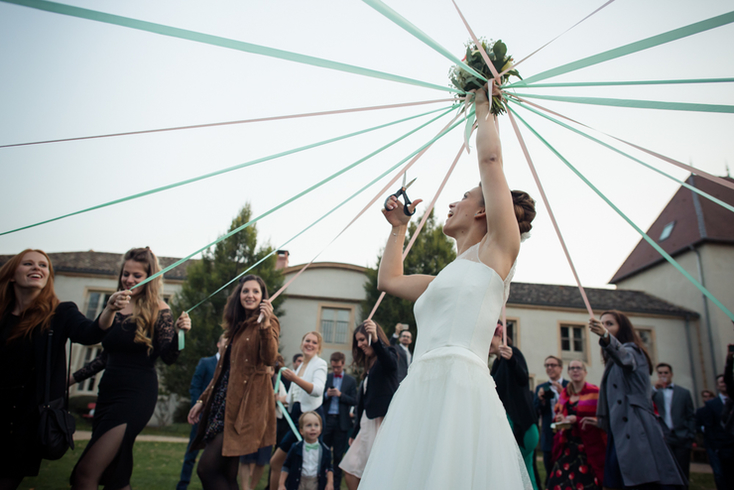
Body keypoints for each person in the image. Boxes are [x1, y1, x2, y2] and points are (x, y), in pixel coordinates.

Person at [356, 85, 534, 490]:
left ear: (485, 209)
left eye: (464, 198)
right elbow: (390, 280)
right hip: (420, 386)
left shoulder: (498, 253)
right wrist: (399, 229)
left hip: (461, 387)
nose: (452, 204)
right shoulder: (441, 279)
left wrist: (483, 102)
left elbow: (490, 160)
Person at [0, 249, 128, 490]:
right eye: (28, 264)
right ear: (11, 276)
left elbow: (90, 333)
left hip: (25, 419)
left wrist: (109, 309)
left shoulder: (60, 313)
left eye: (43, 265)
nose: (37, 268)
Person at [69, 247, 191, 490]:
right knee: (116, 475)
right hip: (107, 393)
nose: (129, 280)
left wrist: (180, 334)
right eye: (126, 274)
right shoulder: (113, 304)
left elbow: (167, 357)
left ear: (150, 277)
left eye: (137, 275)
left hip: (136, 396)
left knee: (85, 474)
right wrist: (71, 379)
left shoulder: (161, 309)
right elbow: (105, 357)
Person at [187, 274, 278, 490]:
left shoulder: (268, 322)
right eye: (246, 291)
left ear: (263, 297)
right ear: (238, 296)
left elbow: (270, 358)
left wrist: (265, 324)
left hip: (242, 409)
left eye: (255, 291)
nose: (250, 295)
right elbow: (223, 372)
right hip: (223, 404)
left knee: (206, 469)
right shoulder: (237, 326)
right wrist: (202, 400)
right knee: (227, 475)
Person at [589, 310, 686, 489]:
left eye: (609, 324)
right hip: (620, 431)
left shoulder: (634, 352)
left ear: (622, 328)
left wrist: (604, 335)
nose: (605, 327)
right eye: (602, 323)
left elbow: (626, 359)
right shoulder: (613, 361)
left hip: (636, 428)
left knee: (642, 481)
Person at [340, 320, 399, 490]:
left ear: (373, 337)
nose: (359, 345)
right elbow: (363, 404)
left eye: (362, 340)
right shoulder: (369, 366)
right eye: (357, 341)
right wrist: (356, 430)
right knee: (350, 468)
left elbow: (390, 363)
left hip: (380, 423)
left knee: (375, 470)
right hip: (365, 424)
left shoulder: (388, 354)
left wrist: (375, 341)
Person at [269, 332, 328, 490]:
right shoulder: (301, 365)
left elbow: (317, 390)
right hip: (296, 420)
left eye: (314, 342)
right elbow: (293, 397)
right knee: (277, 462)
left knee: (312, 469)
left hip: (311, 421)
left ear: (318, 347)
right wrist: (280, 399)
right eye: (307, 340)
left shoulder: (320, 364)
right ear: (302, 344)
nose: (310, 344)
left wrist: (295, 379)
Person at [489, 323, 539, 489]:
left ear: (499, 336)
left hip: (522, 428)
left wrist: (511, 360)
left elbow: (523, 378)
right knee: (526, 475)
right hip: (514, 426)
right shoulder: (495, 364)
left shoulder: (513, 354)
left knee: (516, 473)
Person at [546, 360, 607, 490]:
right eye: (572, 368)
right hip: (567, 446)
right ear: (568, 372)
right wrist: (560, 418)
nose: (575, 370)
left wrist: (577, 419)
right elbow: (557, 414)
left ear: (585, 372)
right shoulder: (565, 393)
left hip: (588, 447)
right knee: (558, 483)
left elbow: (604, 418)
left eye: (578, 368)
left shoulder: (595, 392)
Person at [178, 336, 225, 490]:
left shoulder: (231, 366)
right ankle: (183, 484)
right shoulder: (206, 363)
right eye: (225, 341)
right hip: (202, 415)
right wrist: (198, 406)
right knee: (192, 451)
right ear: (218, 343)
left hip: (221, 419)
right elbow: (195, 386)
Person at [652, 362, 696, 482]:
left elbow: (690, 415)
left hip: (682, 436)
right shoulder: (655, 392)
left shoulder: (683, 392)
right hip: (663, 437)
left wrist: (690, 435)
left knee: (682, 470)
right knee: (665, 470)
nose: (663, 375)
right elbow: (645, 403)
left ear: (671, 374)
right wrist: (655, 388)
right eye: (660, 373)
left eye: (666, 373)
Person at [322, 352, 357, 490]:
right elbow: (318, 397)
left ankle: (335, 486)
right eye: (333, 367)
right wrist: (327, 395)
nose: (335, 369)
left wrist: (341, 395)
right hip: (327, 419)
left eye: (338, 367)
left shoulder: (351, 381)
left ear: (343, 364)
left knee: (338, 456)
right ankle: (322, 483)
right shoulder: (326, 378)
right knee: (324, 453)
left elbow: (354, 400)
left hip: (341, 422)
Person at [534, 355, 569, 481]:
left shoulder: (568, 386)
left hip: (567, 434)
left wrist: (563, 393)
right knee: (550, 474)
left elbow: (574, 407)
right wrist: (540, 400)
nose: (549, 368)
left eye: (553, 365)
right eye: (547, 365)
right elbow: (536, 411)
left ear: (560, 368)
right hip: (548, 434)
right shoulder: (541, 387)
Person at [279, 412, 334, 490]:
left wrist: (330, 483)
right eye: (309, 425)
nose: (313, 428)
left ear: (320, 429)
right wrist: (281, 484)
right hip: (298, 482)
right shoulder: (295, 447)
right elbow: (286, 466)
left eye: (316, 425)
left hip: (315, 483)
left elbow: (329, 468)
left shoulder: (325, 449)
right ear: (301, 431)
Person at [698, 369, 734, 489]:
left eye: (726, 381)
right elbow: (709, 427)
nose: (724, 384)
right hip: (722, 447)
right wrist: (716, 447)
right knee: (722, 476)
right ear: (718, 386)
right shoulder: (712, 405)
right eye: (722, 382)